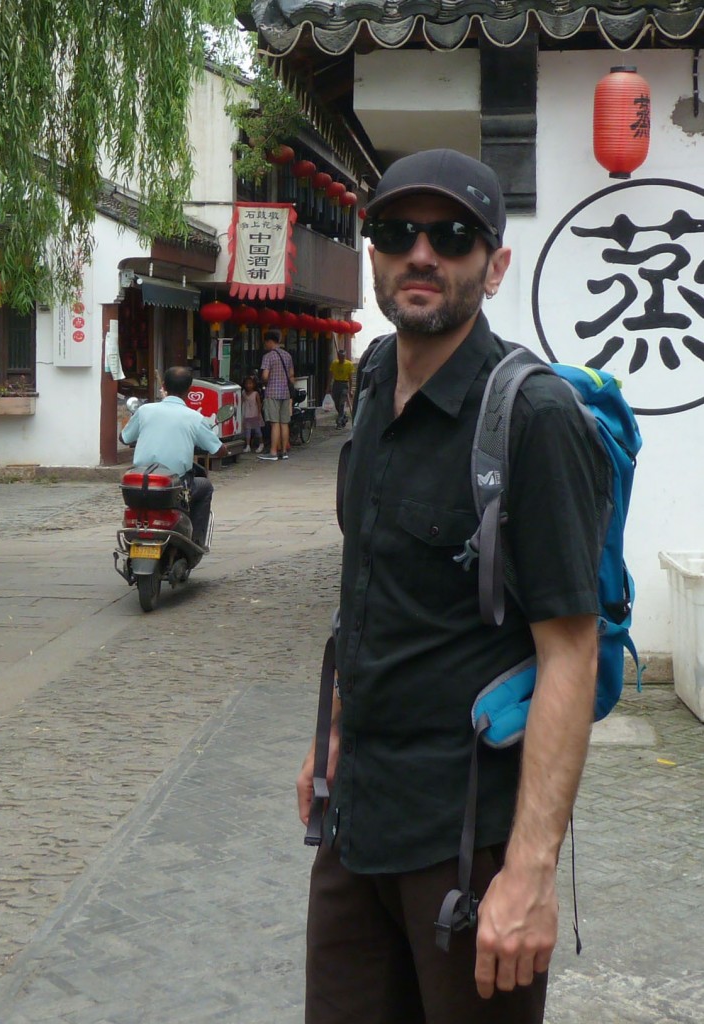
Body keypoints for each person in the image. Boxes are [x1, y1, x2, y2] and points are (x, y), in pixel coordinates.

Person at [297, 149, 609, 1024]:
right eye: (397, 233)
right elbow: (368, 590)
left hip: (467, 849)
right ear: (374, 255)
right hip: (355, 825)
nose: (421, 255)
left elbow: (569, 652)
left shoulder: (536, 419)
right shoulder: (366, 388)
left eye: (453, 236)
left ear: (495, 264)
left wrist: (531, 872)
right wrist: (331, 737)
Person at [119, 366, 227, 547]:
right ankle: (197, 541)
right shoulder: (194, 418)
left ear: (164, 386)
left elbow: (124, 437)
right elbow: (217, 449)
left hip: (139, 482)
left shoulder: (145, 411)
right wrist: (223, 450)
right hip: (176, 485)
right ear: (189, 389)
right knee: (205, 486)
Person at [258, 330, 295, 461]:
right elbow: (291, 376)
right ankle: (284, 451)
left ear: (269, 341)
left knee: (275, 423)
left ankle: (273, 452)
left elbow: (265, 376)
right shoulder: (287, 355)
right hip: (285, 393)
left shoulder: (268, 357)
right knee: (284, 423)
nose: (265, 345)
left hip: (272, 392)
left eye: (265, 343)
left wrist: (263, 381)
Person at [326, 347, 354, 428]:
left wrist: (351, 389)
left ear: (345, 357)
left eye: (343, 357)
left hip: (344, 384)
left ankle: (339, 422)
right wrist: (328, 386)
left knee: (341, 403)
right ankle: (343, 416)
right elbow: (330, 375)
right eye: (340, 357)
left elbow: (350, 378)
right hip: (336, 384)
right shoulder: (334, 363)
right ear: (338, 356)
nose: (341, 358)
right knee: (337, 404)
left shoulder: (349, 364)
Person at [241, 375, 263, 453]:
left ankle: (261, 443)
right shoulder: (243, 393)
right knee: (248, 431)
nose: (248, 385)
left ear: (253, 384)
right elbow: (241, 402)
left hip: (255, 415)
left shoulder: (255, 393)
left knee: (257, 430)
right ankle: (248, 445)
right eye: (247, 384)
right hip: (247, 414)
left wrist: (259, 414)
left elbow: (259, 404)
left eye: (250, 383)